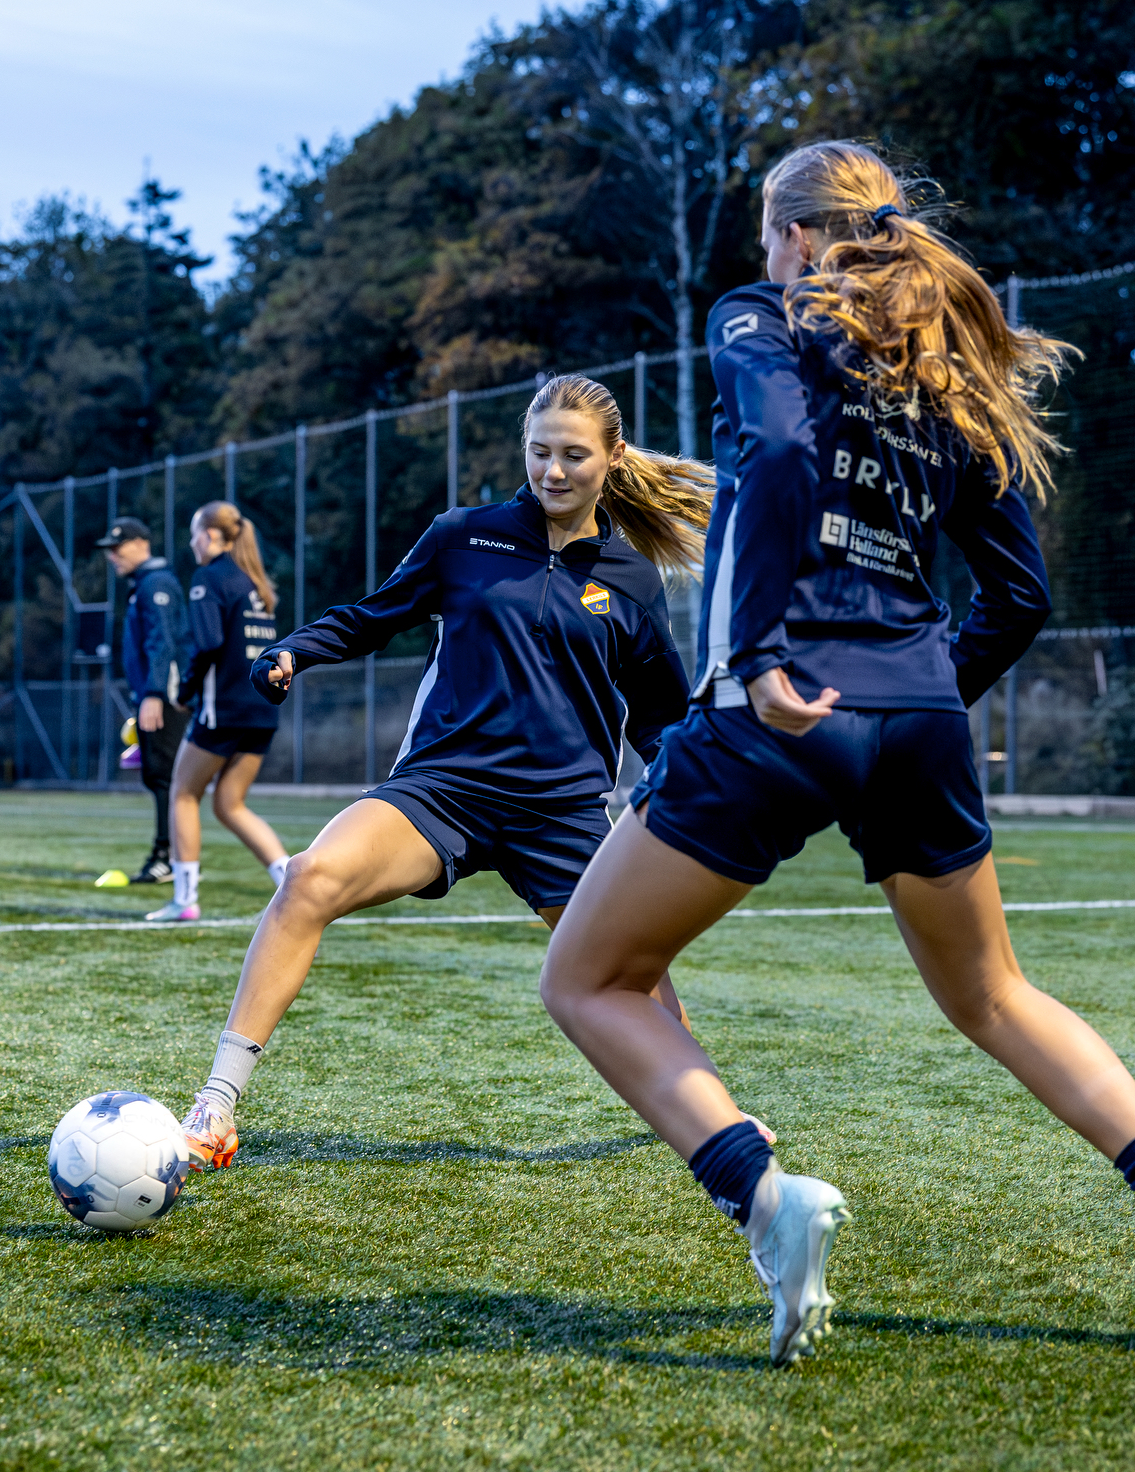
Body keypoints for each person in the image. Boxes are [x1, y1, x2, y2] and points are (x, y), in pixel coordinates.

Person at [537, 141, 1135, 1367]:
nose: (765, 261)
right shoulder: (943, 369)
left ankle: (765, 1196)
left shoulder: (762, 314)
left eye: (771, 238)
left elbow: (768, 455)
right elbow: (1019, 594)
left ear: (800, 239)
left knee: (587, 977)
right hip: (919, 717)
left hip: (776, 715)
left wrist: (764, 652)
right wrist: (922, 696)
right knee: (994, 995)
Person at [176, 374, 712, 1170]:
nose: (553, 471)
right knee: (309, 879)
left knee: (633, 982)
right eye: (538, 453)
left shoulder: (632, 580)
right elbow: (373, 615)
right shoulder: (464, 536)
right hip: (442, 789)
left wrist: (694, 790)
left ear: (612, 457)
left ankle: (715, 1124)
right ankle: (215, 1102)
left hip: (561, 813)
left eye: (573, 455)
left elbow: (661, 713)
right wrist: (294, 650)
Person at [143, 501, 290, 924]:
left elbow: (206, 644)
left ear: (210, 535)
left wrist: (184, 692)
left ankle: (184, 900)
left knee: (183, 793)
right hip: (263, 711)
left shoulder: (209, 578)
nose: (191, 543)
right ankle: (293, 882)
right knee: (229, 804)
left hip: (223, 709)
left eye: (194, 534)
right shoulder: (256, 582)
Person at [96, 518, 189, 888]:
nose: (111, 556)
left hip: (164, 697)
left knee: (167, 778)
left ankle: (167, 857)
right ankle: (170, 857)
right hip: (156, 695)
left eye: (117, 547)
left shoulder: (157, 584)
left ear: (140, 543)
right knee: (161, 777)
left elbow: (162, 641)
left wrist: (153, 694)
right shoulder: (144, 585)